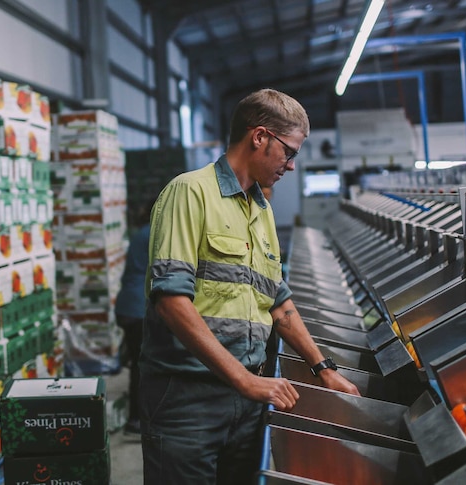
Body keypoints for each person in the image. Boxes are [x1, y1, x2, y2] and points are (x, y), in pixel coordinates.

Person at [140, 88, 360, 485]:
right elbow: (171, 301)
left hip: (247, 398)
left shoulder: (261, 209)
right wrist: (243, 379)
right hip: (189, 399)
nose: (291, 165)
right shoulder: (190, 192)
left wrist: (322, 368)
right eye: (289, 152)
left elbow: (278, 300)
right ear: (259, 137)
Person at [114, 198, 155, 435]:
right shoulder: (154, 233)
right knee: (143, 366)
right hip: (137, 307)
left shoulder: (143, 232)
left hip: (129, 305)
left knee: (140, 364)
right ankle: (136, 419)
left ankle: (138, 417)